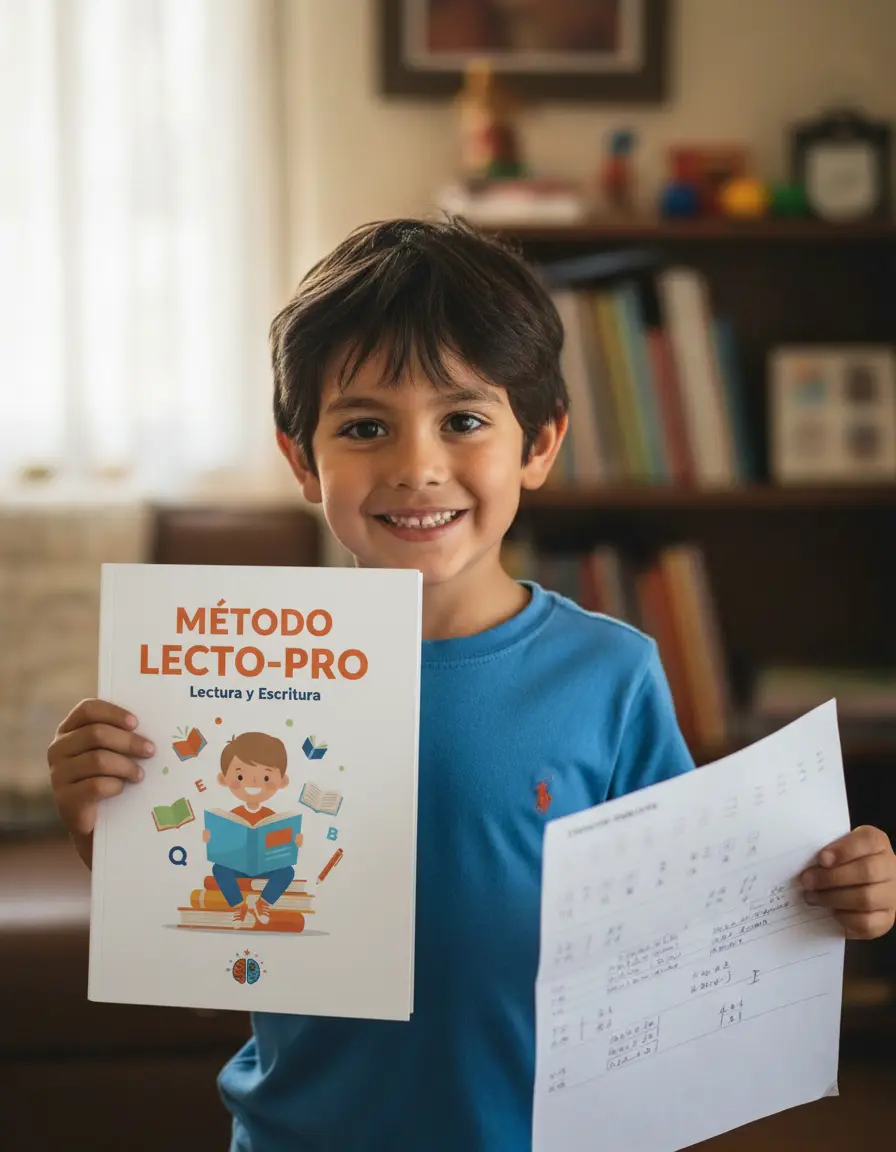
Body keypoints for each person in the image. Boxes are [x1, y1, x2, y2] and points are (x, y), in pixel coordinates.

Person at [48, 217, 896, 1151]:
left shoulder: (610, 674)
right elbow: (217, 940)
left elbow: (692, 922)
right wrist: (109, 830)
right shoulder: (246, 675)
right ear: (302, 460)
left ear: (538, 445)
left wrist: (832, 892)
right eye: (365, 426)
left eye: (463, 420)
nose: (417, 466)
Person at [201, 731, 303, 926]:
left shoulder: (271, 817)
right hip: (238, 866)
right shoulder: (234, 814)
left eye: (266, 777)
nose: (253, 782)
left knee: (287, 871)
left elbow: (280, 842)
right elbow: (222, 842)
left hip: (265, 866)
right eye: (240, 775)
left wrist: (295, 842)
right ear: (224, 778)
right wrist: (210, 838)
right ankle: (239, 906)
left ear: (282, 781)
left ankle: (263, 903)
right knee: (219, 869)